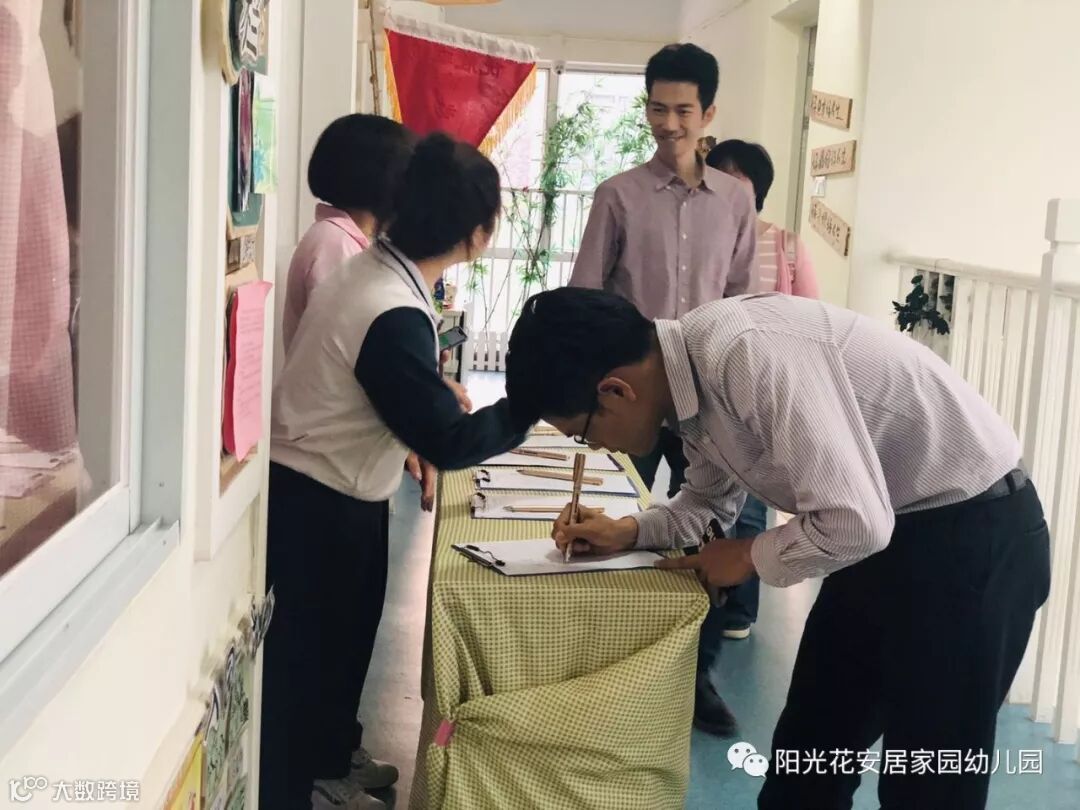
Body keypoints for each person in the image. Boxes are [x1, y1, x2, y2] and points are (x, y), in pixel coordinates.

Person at [503, 287, 1050, 810]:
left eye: (585, 434)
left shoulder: (744, 354)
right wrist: (629, 531)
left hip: (972, 537)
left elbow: (855, 522)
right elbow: (709, 501)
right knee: (807, 763)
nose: (596, 446)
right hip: (886, 534)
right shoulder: (685, 383)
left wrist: (747, 557)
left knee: (929, 786)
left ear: (616, 391)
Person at [260, 133, 526, 810]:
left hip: (336, 490)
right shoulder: (391, 306)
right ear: (478, 234)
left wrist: (430, 395)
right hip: (320, 505)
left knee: (336, 653)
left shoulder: (378, 272)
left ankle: (324, 765)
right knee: (311, 664)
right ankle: (302, 785)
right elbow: (449, 440)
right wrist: (527, 406)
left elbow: (392, 389)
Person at [568, 41, 757, 736]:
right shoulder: (617, 195)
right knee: (619, 519)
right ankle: (604, 664)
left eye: (683, 110)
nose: (668, 123)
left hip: (708, 397)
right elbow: (586, 296)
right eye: (657, 108)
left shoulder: (737, 199)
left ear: (708, 113)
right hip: (634, 394)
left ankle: (694, 675)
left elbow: (743, 300)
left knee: (706, 531)